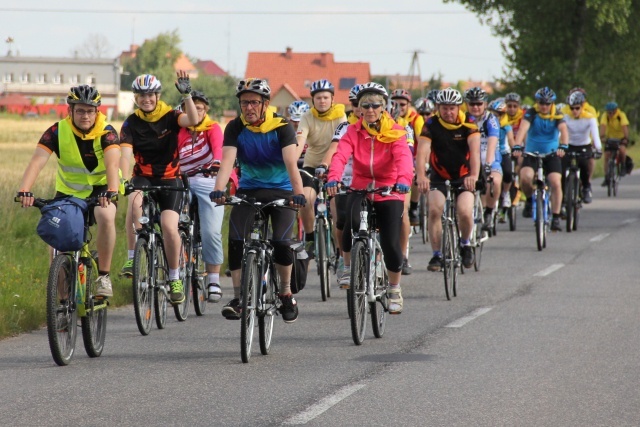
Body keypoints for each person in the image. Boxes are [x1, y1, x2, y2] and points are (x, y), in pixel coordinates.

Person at [210, 78, 305, 323]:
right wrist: (219, 189)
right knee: (236, 239)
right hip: (249, 190)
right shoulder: (235, 127)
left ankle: (285, 292)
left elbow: (291, 164)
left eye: (253, 102)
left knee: (282, 242)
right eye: (244, 103)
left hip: (282, 192)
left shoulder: (282, 127)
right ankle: (239, 298)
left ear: (265, 104)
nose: (248, 108)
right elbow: (227, 161)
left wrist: (299, 193)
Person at [17, 85, 121, 297]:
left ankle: (104, 276)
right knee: (57, 244)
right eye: (80, 110)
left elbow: (112, 165)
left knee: (105, 215)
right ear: (70, 111)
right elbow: (37, 161)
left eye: (90, 111)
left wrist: (111, 190)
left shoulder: (107, 133)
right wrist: (25, 190)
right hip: (68, 193)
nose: (85, 116)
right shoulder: (57, 131)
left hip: (101, 190)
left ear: (97, 112)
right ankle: (62, 303)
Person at [326, 82, 413, 314]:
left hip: (388, 189)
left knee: (390, 242)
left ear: (384, 107)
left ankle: (394, 288)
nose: (371, 109)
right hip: (360, 187)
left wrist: (403, 181)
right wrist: (333, 178)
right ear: (359, 109)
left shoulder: (395, 131)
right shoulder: (352, 131)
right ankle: (347, 267)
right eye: (366, 105)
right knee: (348, 223)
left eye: (376, 105)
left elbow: (404, 158)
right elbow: (340, 155)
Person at [119, 72, 199, 304]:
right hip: (143, 176)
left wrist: (187, 95)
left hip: (170, 179)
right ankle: (133, 257)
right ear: (136, 98)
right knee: (134, 201)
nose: (146, 99)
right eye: (141, 95)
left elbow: (192, 120)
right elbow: (125, 155)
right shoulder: (131, 123)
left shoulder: (170, 115)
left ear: (157, 95)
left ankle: (174, 277)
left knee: (168, 226)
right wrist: (125, 179)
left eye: (150, 95)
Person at [415, 87, 480, 271]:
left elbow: (475, 152)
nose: (448, 112)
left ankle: (466, 243)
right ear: (438, 108)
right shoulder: (431, 124)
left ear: (459, 107)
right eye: (444, 108)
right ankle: (437, 255)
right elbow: (422, 152)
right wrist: (421, 176)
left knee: (465, 211)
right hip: (439, 175)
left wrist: (474, 176)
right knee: (435, 210)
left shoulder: (469, 122)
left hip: (464, 176)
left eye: (452, 108)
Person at [177, 90, 225, 302]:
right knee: (173, 224)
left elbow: (219, 150)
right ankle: (176, 272)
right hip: (182, 181)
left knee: (211, 231)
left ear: (205, 111)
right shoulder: (178, 131)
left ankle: (213, 278)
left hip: (207, 180)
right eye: (191, 108)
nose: (195, 112)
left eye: (199, 108)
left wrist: (216, 163)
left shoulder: (212, 128)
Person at [295, 80, 346, 256]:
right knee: (306, 199)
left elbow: (337, 144)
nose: (322, 101)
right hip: (311, 165)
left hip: (335, 166)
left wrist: (327, 165)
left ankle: (340, 252)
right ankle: (309, 238)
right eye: (318, 98)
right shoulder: (307, 117)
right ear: (313, 100)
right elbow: (299, 142)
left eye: (325, 97)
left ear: (332, 98)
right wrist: (291, 165)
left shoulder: (341, 115)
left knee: (335, 207)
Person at [513, 87, 568, 232]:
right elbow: (522, 129)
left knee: (555, 182)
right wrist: (517, 145)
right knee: (525, 178)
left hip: (551, 154)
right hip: (532, 153)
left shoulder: (556, 113)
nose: (544, 106)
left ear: (552, 103)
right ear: (537, 102)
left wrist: (563, 145)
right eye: (541, 103)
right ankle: (530, 200)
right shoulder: (531, 113)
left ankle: (556, 216)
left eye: (547, 104)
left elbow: (564, 130)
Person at [464, 87, 502, 231]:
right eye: (472, 104)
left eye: (479, 104)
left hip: (489, 157)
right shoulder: (463, 119)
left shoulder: (491, 119)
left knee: (495, 181)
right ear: (467, 104)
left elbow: (492, 141)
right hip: (470, 159)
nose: (475, 107)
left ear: (485, 104)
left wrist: (487, 164)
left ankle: (489, 211)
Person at [561, 91, 602, 204]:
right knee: (562, 167)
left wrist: (598, 149)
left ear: (582, 107)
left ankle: (586, 188)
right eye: (572, 108)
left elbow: (595, 135)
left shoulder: (590, 118)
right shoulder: (566, 117)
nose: (574, 111)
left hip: (584, 145)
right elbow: (560, 134)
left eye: (577, 108)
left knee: (584, 165)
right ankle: (563, 195)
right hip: (569, 145)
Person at [487, 98, 516, 218]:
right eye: (494, 113)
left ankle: (506, 193)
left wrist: (515, 149)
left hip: (504, 152)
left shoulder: (506, 126)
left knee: (508, 172)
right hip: (491, 152)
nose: (496, 116)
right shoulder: (487, 123)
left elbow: (510, 140)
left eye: (499, 114)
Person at [600, 101, 630, 185]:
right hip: (610, 138)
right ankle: (606, 177)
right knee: (606, 156)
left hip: (620, 138)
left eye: (611, 112)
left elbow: (624, 127)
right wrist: (602, 137)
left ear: (616, 110)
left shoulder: (621, 115)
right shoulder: (605, 116)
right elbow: (603, 126)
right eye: (608, 112)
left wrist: (626, 138)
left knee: (622, 150)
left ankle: (623, 165)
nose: (610, 114)